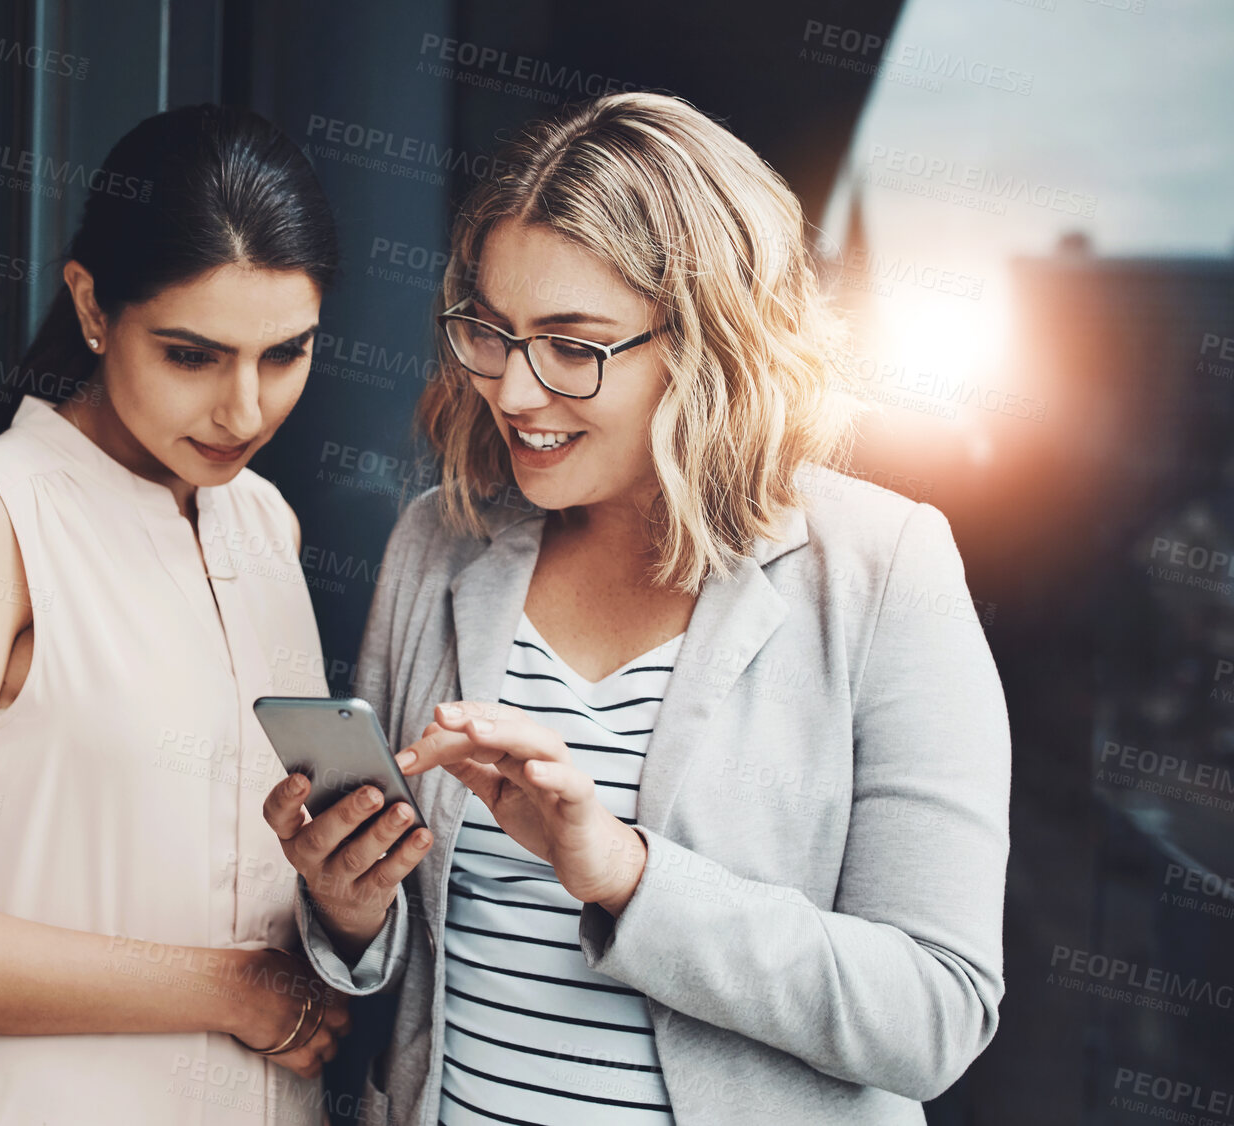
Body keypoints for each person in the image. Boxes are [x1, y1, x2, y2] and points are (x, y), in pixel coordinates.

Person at [264, 90, 1010, 1125]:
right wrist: (349, 911)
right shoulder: (439, 541)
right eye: (493, 330)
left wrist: (623, 870)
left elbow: (935, 1012)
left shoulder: (884, 571)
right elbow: (408, 973)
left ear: (711, 345)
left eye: (574, 346)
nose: (516, 391)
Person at [0, 103, 352, 1126]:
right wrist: (229, 987)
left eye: (285, 353)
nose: (245, 410)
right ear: (93, 306)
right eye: (192, 354)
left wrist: (348, 911)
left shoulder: (264, 523)